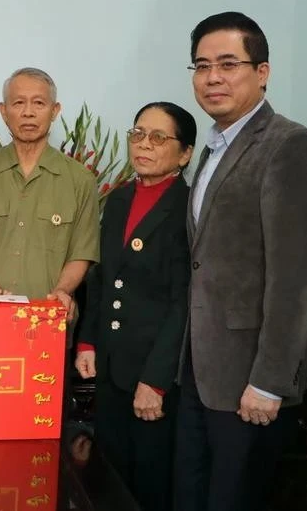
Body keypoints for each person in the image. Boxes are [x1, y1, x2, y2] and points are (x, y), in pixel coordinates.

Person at [174, 11, 307, 511]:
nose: (213, 77)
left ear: (261, 72)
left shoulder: (290, 146)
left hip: (251, 380)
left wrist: (269, 380)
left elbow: (300, 279)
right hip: (201, 370)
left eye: (228, 63)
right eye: (202, 66)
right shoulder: (215, 148)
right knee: (191, 496)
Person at [76, 102, 195, 511]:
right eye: (138, 134)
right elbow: (103, 277)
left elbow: (185, 301)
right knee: (108, 475)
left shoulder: (189, 208)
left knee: (148, 483)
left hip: (153, 373)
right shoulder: (121, 199)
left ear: (185, 153)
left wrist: (157, 380)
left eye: (159, 137)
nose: (144, 145)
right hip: (111, 365)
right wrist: (87, 341)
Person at [0, 67, 99, 312]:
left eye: (39, 103)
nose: (28, 113)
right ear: (3, 111)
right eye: (18, 103)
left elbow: (82, 252)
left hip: (47, 318)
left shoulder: (80, 180)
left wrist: (62, 291)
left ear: (55, 110)